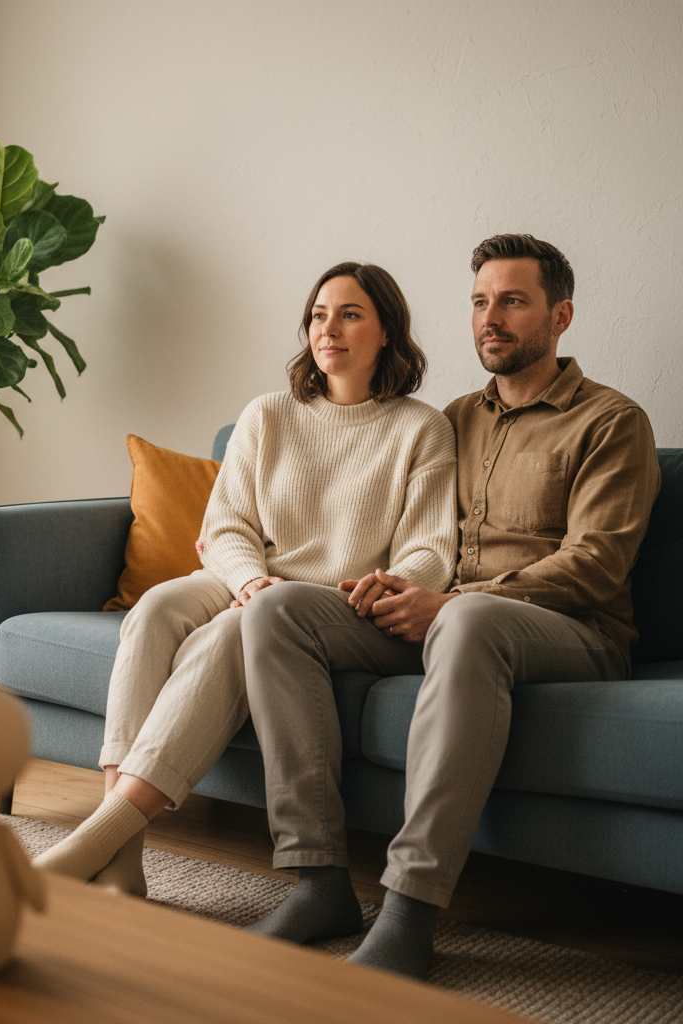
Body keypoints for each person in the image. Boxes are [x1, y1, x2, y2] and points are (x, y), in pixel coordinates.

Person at [242, 234, 661, 979]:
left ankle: (409, 909)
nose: (489, 318)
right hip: (447, 623)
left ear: (560, 315)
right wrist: (397, 586)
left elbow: (596, 566)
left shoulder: (611, 422)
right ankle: (319, 880)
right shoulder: (451, 418)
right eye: (478, 302)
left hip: (573, 633)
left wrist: (452, 601)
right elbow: (419, 535)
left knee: (468, 621)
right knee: (281, 612)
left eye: (512, 301)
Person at [34, 262, 458, 908]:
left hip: (329, 603)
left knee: (238, 628)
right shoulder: (267, 416)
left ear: (387, 333)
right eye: (319, 314)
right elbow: (225, 525)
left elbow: (431, 548)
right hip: (250, 578)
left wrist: (394, 582)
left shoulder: (420, 428)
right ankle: (121, 853)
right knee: (153, 610)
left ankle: (97, 839)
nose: (328, 329)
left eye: (350, 314)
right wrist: (249, 578)